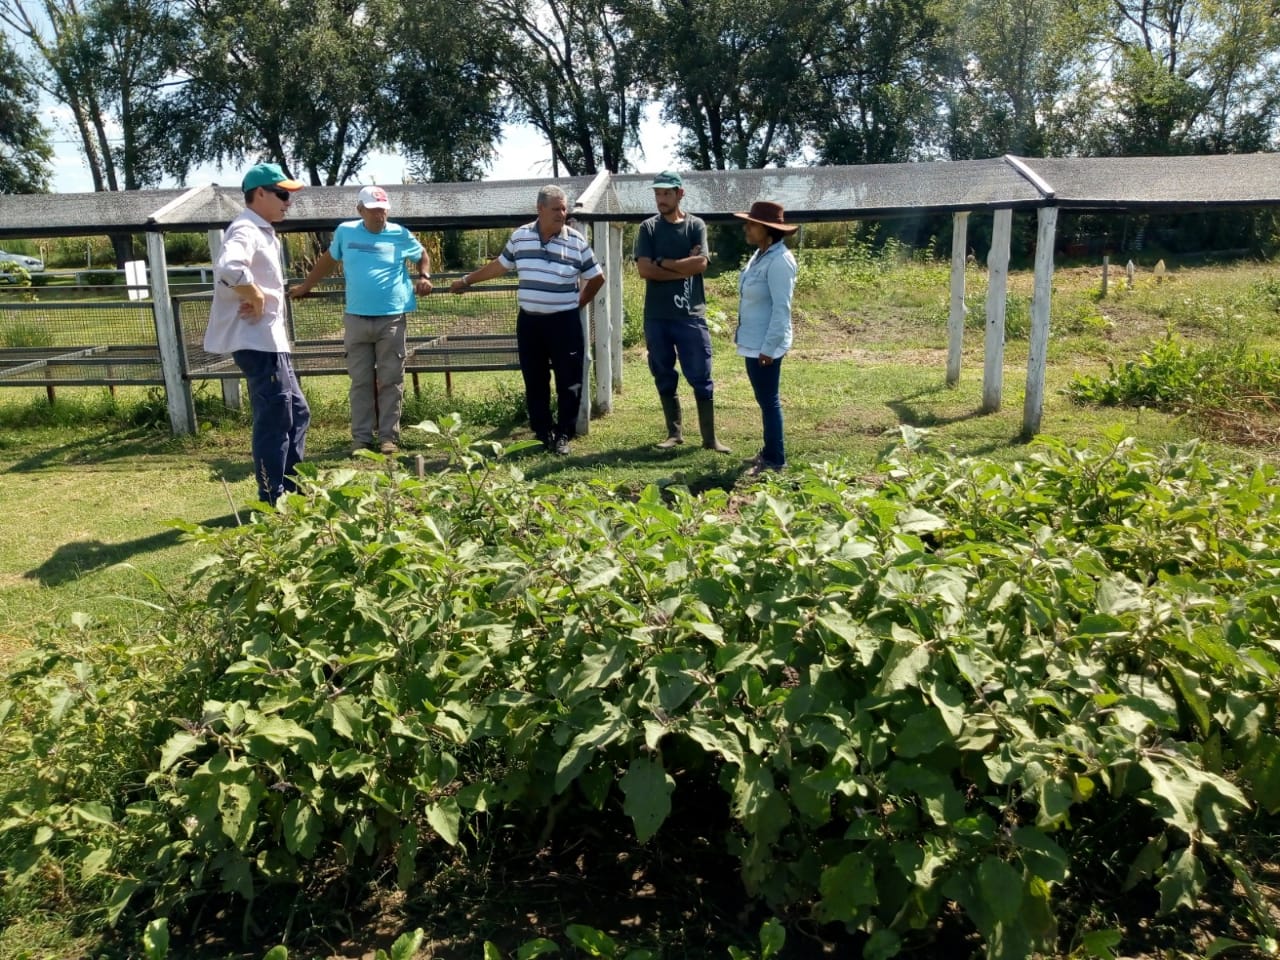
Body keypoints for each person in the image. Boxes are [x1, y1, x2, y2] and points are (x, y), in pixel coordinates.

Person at [449, 185, 604, 455]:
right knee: (535, 378)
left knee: (569, 380)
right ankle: (542, 433)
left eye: (564, 208)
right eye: (556, 209)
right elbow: (500, 265)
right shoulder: (520, 237)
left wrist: (578, 303)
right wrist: (466, 280)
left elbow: (597, 276)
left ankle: (564, 434)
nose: (562, 213)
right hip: (530, 323)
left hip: (564, 323)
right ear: (540, 209)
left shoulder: (576, 240)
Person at [289, 185, 431, 455]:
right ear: (360, 210)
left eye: (383, 210)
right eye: (374, 210)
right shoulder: (345, 232)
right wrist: (306, 286)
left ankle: (389, 438)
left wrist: (424, 277)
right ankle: (361, 440)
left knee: (391, 379)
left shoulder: (399, 234)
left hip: (392, 317)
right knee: (361, 381)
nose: (380, 215)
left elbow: (422, 255)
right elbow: (328, 261)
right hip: (356, 318)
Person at [205, 162, 309, 506]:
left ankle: (292, 489)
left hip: (269, 340)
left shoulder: (262, 229)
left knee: (297, 411)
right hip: (256, 342)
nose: (287, 201)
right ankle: (272, 496)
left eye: (290, 195)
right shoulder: (246, 229)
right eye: (282, 194)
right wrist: (254, 293)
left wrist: (254, 292)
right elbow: (229, 267)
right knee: (275, 417)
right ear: (259, 193)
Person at [633, 170, 730, 452]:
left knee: (701, 374)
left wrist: (663, 262)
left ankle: (710, 439)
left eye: (666, 193)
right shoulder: (648, 228)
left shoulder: (696, 225)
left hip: (691, 314)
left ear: (680, 193)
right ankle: (674, 434)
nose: (661, 199)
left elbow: (700, 265)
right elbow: (643, 269)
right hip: (657, 316)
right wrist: (680, 265)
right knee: (663, 372)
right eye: (657, 194)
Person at [733, 200, 798, 476]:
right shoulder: (761, 255)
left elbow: (781, 308)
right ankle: (770, 451)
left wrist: (769, 349)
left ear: (767, 229)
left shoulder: (780, 261)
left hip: (765, 345)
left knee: (769, 400)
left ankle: (776, 460)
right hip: (753, 341)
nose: (746, 228)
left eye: (751, 224)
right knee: (764, 399)